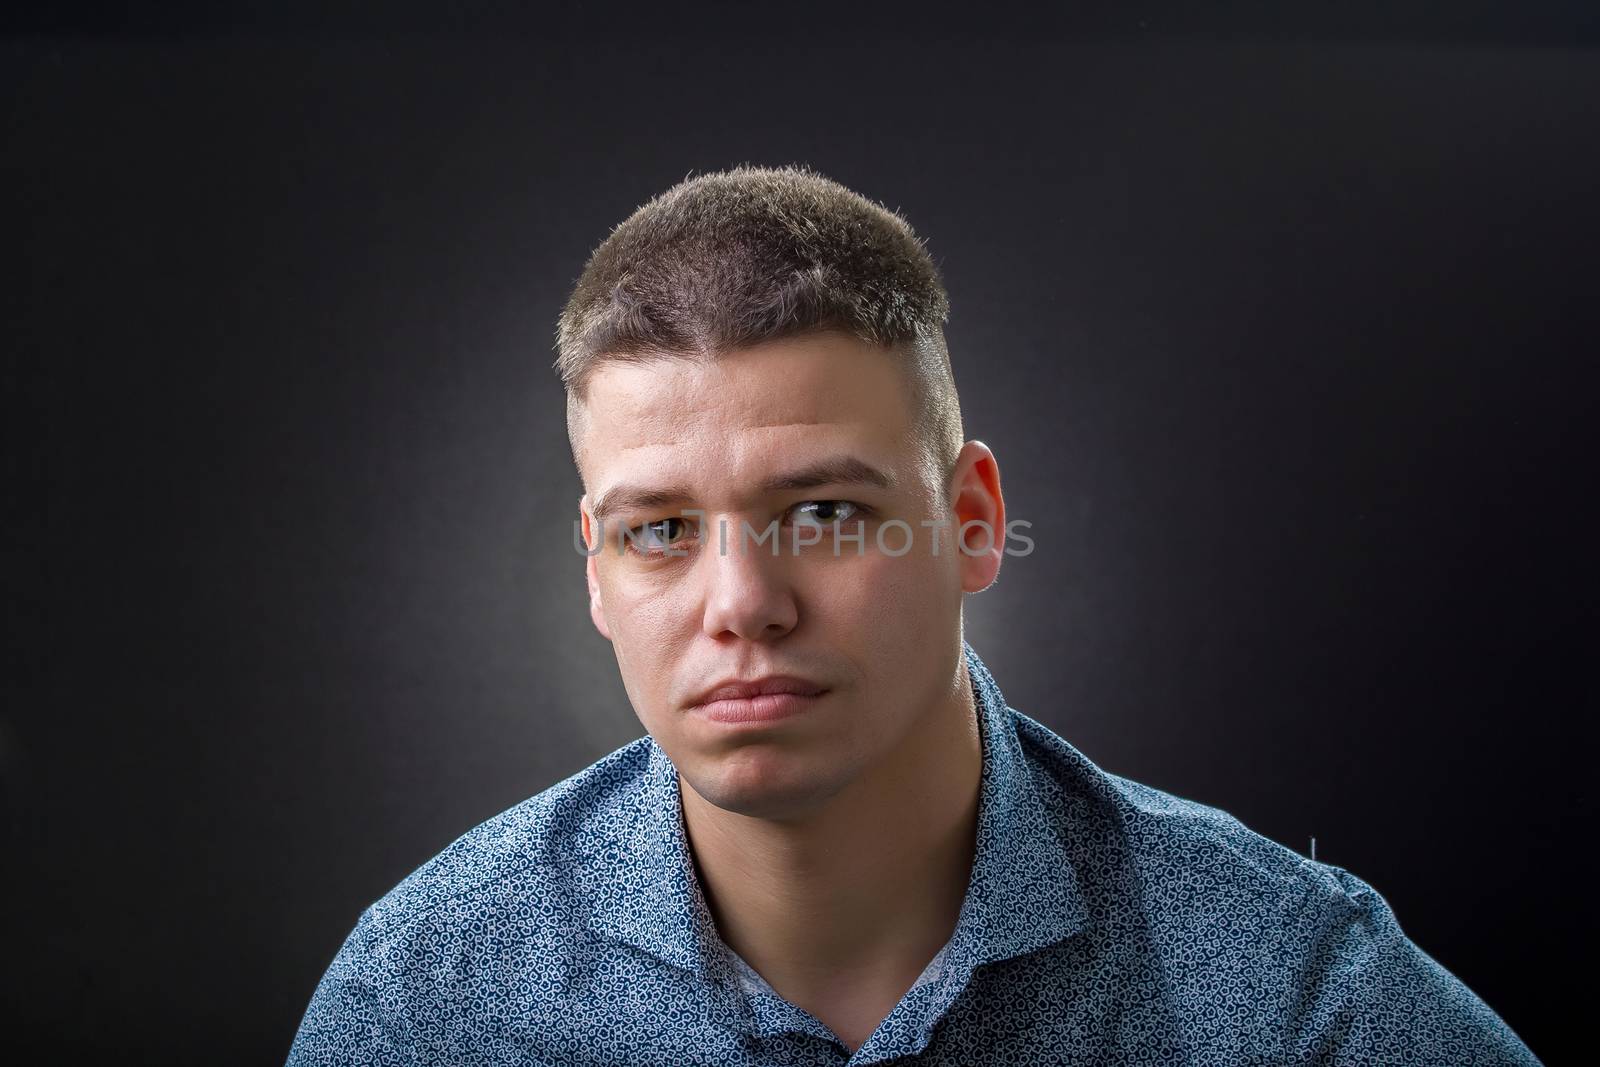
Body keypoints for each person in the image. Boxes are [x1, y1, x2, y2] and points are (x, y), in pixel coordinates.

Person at [287, 164, 1539, 1065]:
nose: (743, 604)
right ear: (596, 573)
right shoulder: (427, 996)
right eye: (660, 529)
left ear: (975, 520)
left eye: (825, 510)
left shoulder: (1293, 996)